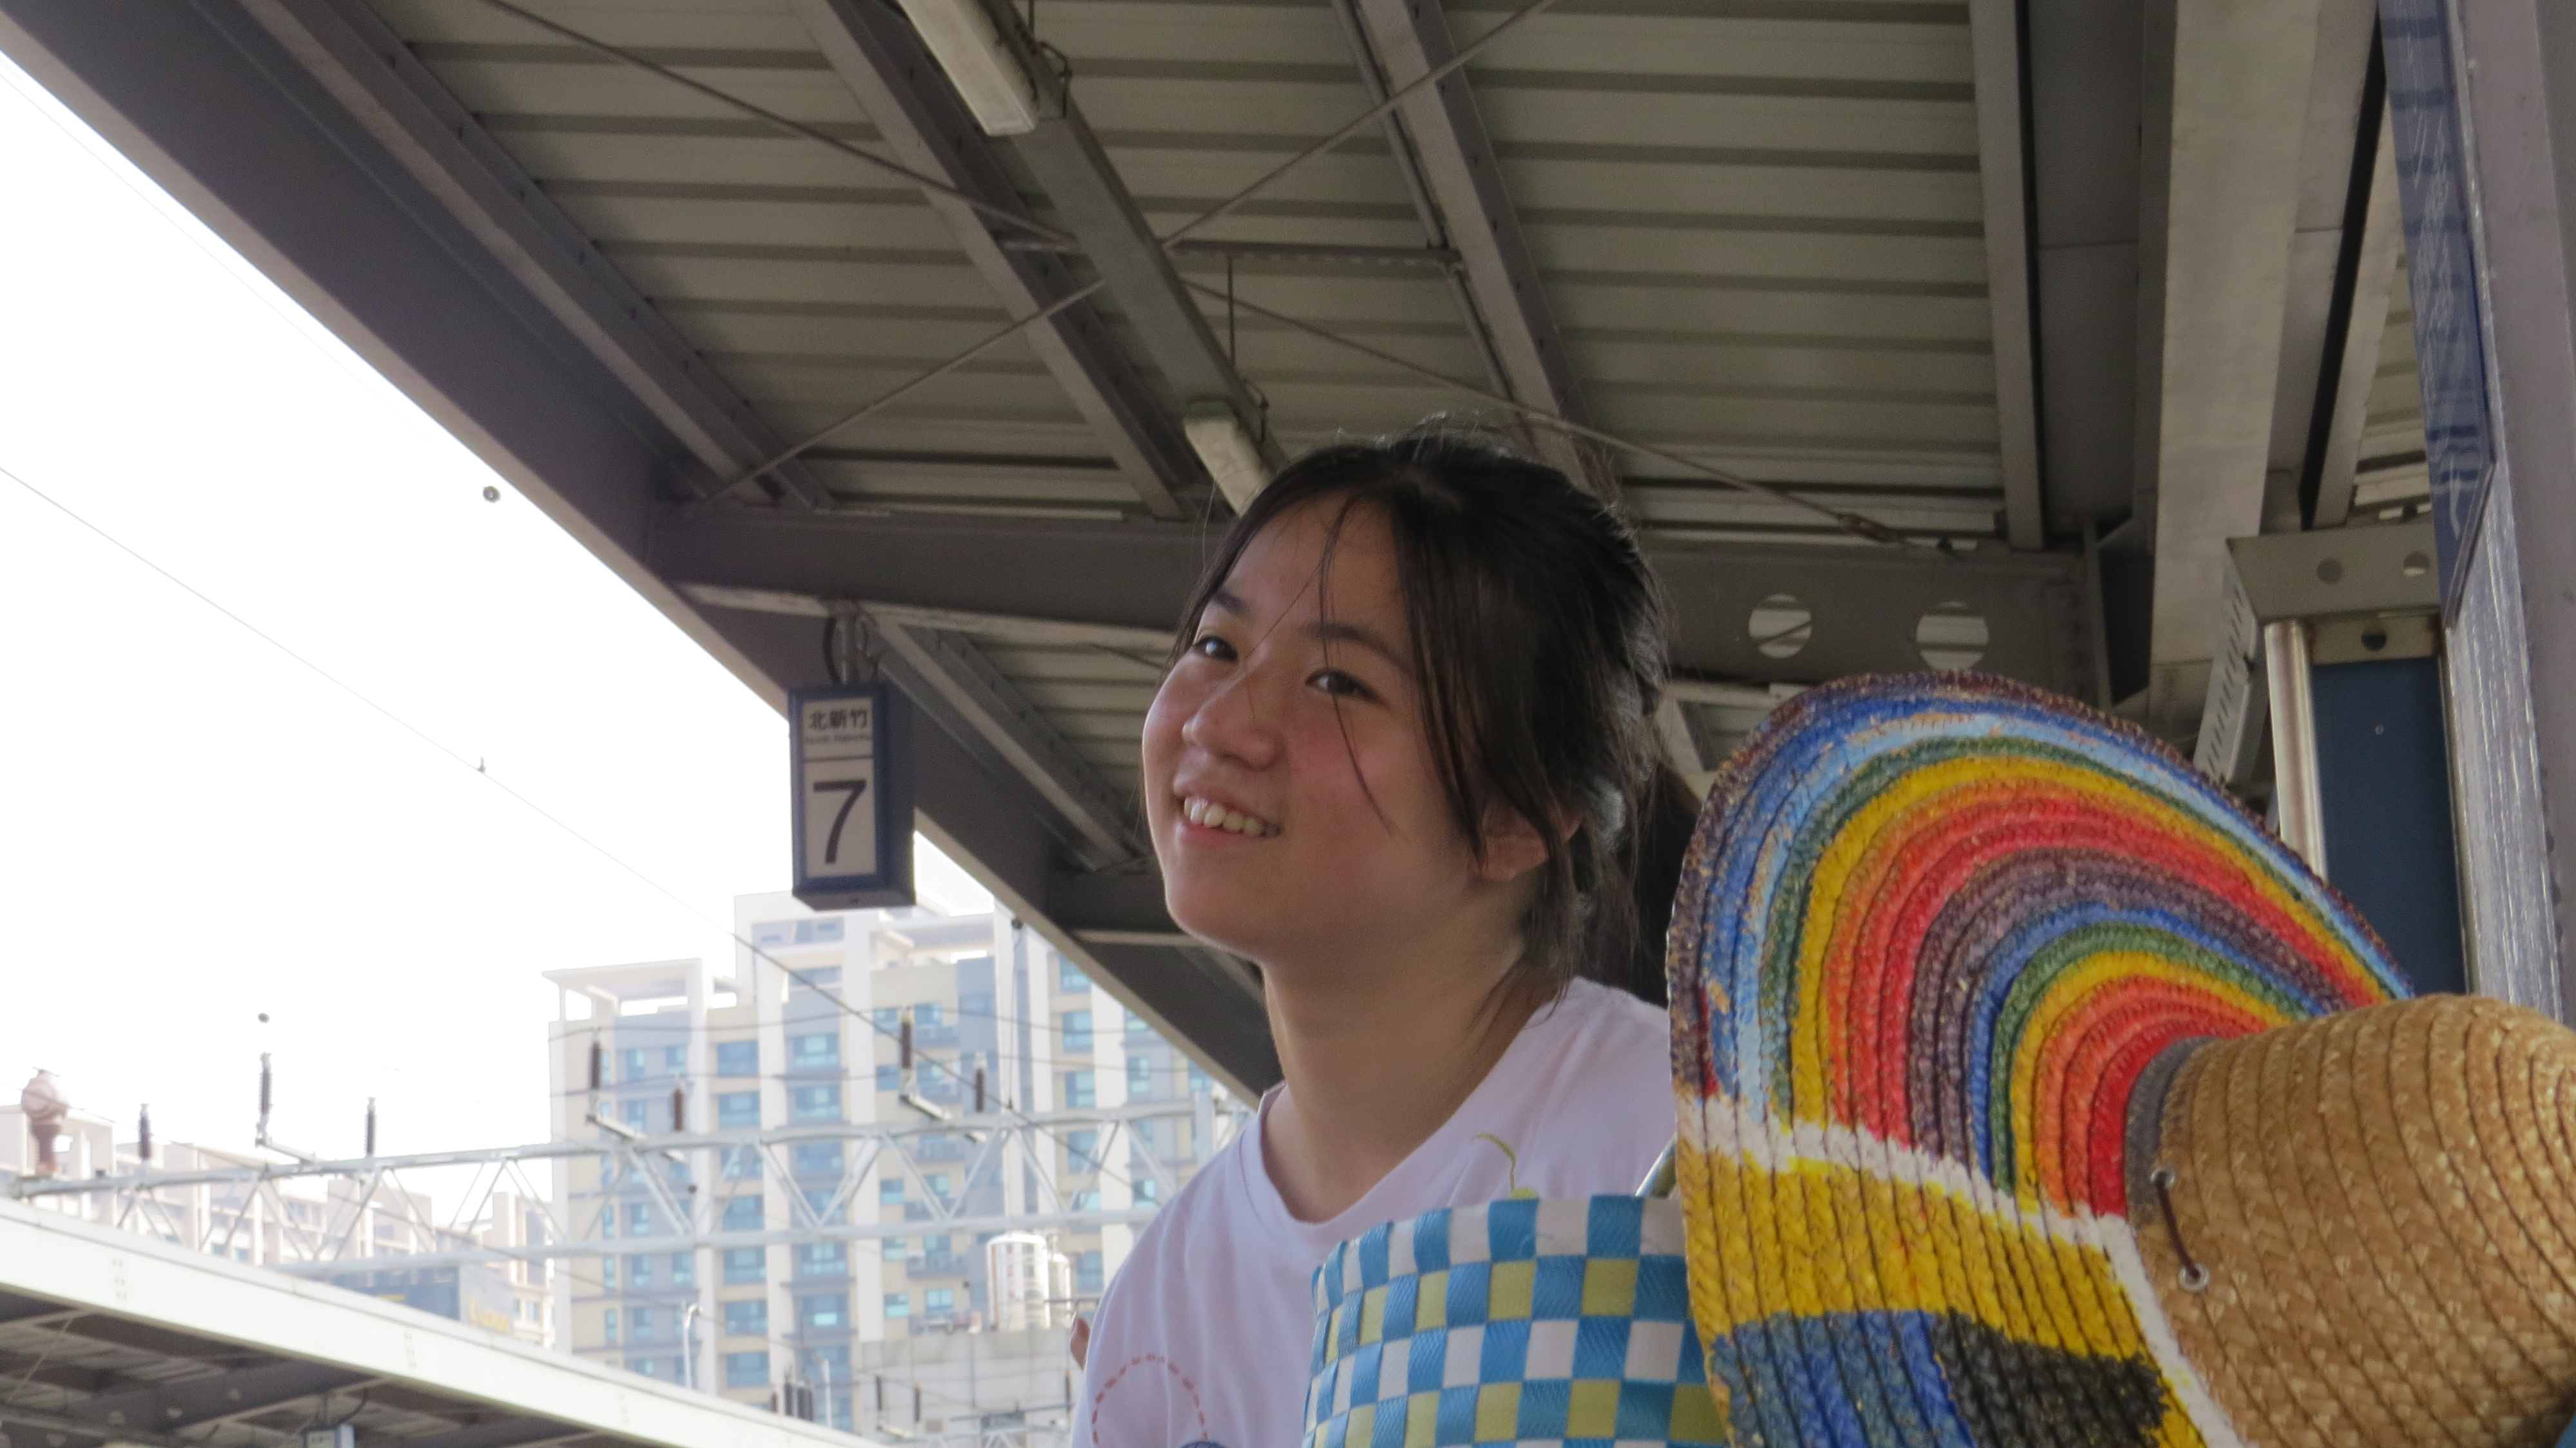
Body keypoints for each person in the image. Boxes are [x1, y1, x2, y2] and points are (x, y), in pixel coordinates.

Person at [1072, 428, 1697, 1448]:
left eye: (1337, 683)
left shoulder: (1687, 1159)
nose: (1218, 722)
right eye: (1216, 647)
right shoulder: (1162, 1314)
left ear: (1516, 818)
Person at [20, 1069, 67, 1177]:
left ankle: (46, 1168)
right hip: (49, 1121)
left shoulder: (34, 1086)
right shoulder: (53, 1086)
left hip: (44, 1122)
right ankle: (47, 1168)